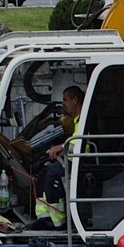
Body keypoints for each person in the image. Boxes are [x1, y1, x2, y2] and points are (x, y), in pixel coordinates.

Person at [30, 85, 85, 229]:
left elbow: (80, 145)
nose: (64, 104)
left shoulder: (84, 120)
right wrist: (63, 149)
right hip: (73, 160)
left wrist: (62, 147)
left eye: (65, 100)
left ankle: (58, 222)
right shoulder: (77, 120)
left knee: (52, 176)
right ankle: (44, 217)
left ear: (75, 100)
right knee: (43, 174)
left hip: (81, 163)